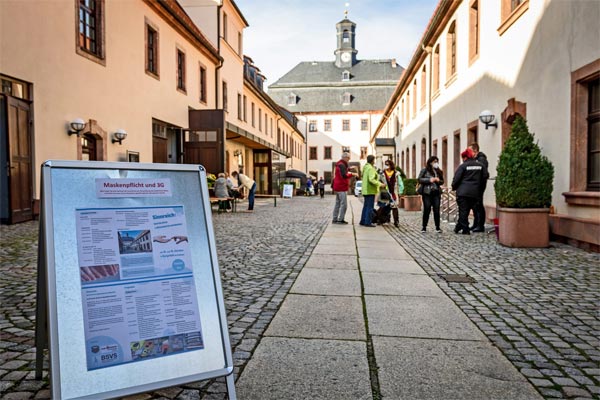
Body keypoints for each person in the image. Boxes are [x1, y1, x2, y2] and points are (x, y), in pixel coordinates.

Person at [452, 148, 488, 234]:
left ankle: (465, 229)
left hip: (463, 192)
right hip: (475, 193)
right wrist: (480, 189)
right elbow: (485, 177)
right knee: (469, 210)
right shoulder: (480, 166)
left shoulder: (463, 166)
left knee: (463, 211)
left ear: (465, 157)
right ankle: (459, 227)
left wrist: (454, 187)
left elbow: (456, 179)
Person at [417, 156, 444, 233]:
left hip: (436, 193)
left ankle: (437, 227)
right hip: (427, 193)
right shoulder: (424, 170)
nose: (435, 163)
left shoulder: (439, 171)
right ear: (430, 162)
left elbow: (442, 181)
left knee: (436, 210)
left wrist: (438, 180)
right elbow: (419, 179)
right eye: (434, 161)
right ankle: (424, 227)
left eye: (436, 161)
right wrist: (429, 180)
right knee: (427, 209)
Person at [360, 155, 387, 227]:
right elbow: (371, 179)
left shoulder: (365, 167)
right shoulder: (371, 168)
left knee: (365, 206)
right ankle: (368, 222)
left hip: (365, 190)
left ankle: (363, 220)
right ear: (372, 160)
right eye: (374, 160)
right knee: (370, 207)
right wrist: (380, 184)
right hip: (370, 190)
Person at [332, 152, 357, 224]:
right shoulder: (342, 165)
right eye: (348, 158)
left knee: (337, 203)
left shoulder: (340, 164)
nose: (349, 160)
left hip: (337, 186)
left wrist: (349, 168)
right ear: (345, 158)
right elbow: (344, 175)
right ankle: (340, 219)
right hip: (341, 187)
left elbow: (343, 170)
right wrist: (352, 174)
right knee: (344, 204)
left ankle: (335, 218)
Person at [469, 142, 489, 232]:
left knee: (479, 205)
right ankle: (475, 224)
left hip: (479, 186)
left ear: (475, 151)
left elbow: (482, 174)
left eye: (470, 151)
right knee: (475, 205)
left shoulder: (481, 159)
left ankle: (480, 225)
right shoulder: (476, 159)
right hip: (475, 186)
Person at [383, 160, 405, 227]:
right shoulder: (383, 173)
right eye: (385, 164)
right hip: (385, 191)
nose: (386, 166)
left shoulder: (396, 173)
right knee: (385, 206)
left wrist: (400, 192)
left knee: (394, 207)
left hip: (394, 192)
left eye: (388, 164)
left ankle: (396, 221)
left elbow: (400, 183)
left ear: (391, 165)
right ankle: (386, 219)